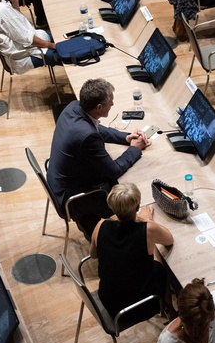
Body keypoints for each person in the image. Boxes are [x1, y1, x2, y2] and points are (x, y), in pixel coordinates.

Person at [47, 78, 150, 238]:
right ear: (99, 107)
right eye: (110, 101)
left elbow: (96, 128)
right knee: (128, 199)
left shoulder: (74, 107)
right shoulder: (86, 136)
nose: (113, 104)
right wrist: (134, 149)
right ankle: (123, 241)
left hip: (59, 182)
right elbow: (114, 171)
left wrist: (126, 137)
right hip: (72, 197)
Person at [90, 183, 173, 322]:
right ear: (137, 207)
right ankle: (169, 310)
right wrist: (148, 219)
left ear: (111, 205)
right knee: (161, 267)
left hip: (108, 300)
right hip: (136, 307)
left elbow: (93, 255)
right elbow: (169, 240)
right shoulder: (148, 229)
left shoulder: (100, 225)